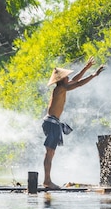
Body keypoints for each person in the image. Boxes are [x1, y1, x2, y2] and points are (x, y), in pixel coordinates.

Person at [42, 57, 105, 189]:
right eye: (66, 77)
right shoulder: (60, 88)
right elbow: (78, 83)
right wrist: (93, 74)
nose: (68, 78)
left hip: (53, 123)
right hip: (52, 123)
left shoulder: (62, 87)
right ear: (61, 80)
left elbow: (75, 80)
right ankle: (47, 181)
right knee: (49, 152)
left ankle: (47, 180)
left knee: (51, 153)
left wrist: (86, 68)